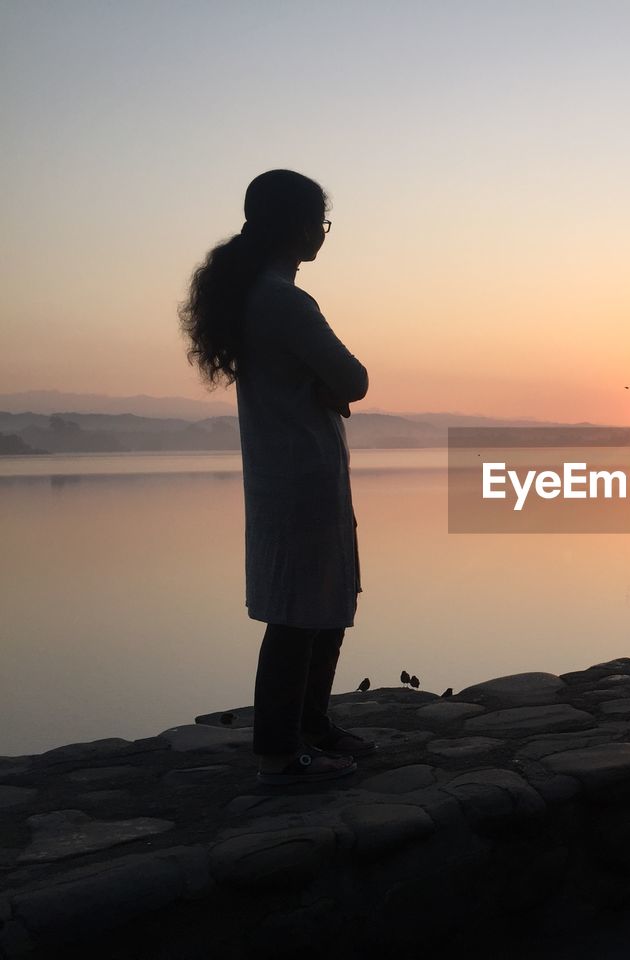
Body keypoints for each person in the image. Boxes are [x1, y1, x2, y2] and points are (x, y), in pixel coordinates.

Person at [179, 169, 375, 785]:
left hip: (290, 472)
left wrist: (321, 386)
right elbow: (354, 380)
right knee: (298, 613)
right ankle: (279, 752)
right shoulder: (283, 301)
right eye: (318, 219)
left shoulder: (255, 296)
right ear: (293, 225)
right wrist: (327, 388)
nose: (323, 231)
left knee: (327, 602)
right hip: (301, 476)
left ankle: (313, 726)